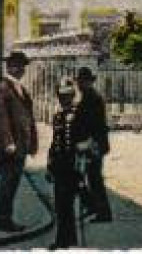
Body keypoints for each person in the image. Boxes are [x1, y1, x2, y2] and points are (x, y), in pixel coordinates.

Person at [0, 51, 37, 233]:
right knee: (8, 184)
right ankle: (3, 220)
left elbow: (29, 118)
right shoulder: (3, 88)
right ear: (8, 67)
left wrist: (32, 143)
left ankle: (7, 218)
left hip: (20, 146)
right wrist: (8, 142)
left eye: (22, 66)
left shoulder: (21, 89)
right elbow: (0, 118)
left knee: (13, 183)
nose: (20, 69)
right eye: (16, 66)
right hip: (10, 148)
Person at [47, 77, 90, 249]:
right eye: (61, 96)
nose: (64, 99)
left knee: (66, 204)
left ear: (72, 96)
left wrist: (81, 164)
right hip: (59, 166)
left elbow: (86, 140)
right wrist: (49, 166)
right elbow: (54, 142)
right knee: (60, 204)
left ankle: (63, 240)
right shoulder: (57, 116)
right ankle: (68, 239)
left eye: (67, 96)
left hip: (72, 165)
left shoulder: (79, 115)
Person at [72, 67, 113, 222]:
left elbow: (93, 124)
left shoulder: (92, 98)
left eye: (83, 81)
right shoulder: (88, 96)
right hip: (91, 144)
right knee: (88, 177)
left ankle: (102, 212)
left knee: (94, 179)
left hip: (92, 145)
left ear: (89, 82)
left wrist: (88, 142)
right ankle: (93, 207)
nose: (80, 84)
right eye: (79, 81)